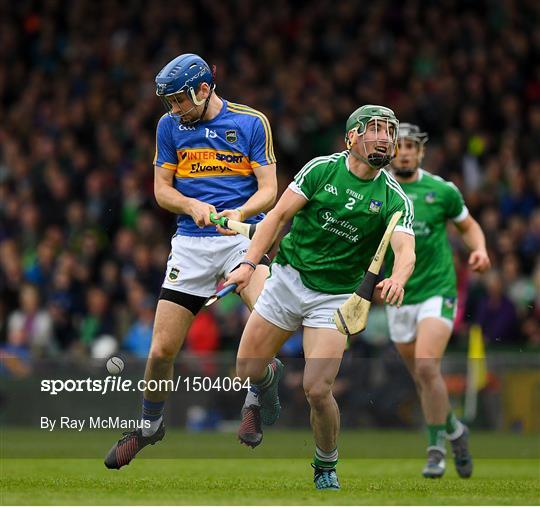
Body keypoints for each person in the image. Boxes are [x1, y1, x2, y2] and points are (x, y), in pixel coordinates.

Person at [225, 105, 416, 490]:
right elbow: (277, 218)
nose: (383, 138)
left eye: (389, 132)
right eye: (374, 129)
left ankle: (325, 464)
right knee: (246, 369)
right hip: (287, 281)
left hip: (335, 297)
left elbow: (406, 248)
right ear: (351, 138)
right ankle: (267, 380)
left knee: (316, 388)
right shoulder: (321, 170)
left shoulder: (394, 197)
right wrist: (248, 264)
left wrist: (398, 276)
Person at [104, 53, 277, 469]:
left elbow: (270, 190)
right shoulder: (169, 127)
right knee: (162, 349)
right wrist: (189, 203)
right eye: (169, 102)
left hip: (242, 240)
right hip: (191, 245)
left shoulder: (251, 122)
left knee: (264, 326)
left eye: (180, 100)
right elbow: (162, 190)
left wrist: (238, 214)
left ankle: (260, 391)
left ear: (204, 88)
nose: (174, 109)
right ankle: (150, 426)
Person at [385, 123, 491, 478]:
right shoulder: (377, 189)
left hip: (438, 291)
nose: (404, 152)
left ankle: (435, 450)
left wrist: (479, 249)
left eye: (410, 146)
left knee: (428, 367)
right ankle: (456, 430)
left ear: (421, 152)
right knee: (423, 378)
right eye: (398, 146)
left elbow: (470, 226)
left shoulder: (441, 191)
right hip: (398, 295)